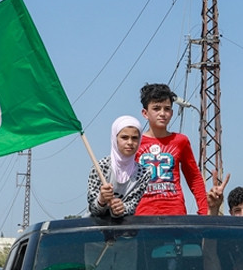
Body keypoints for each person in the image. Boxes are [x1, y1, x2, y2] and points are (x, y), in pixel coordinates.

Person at [134, 83, 209, 215]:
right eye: (156, 108)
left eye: (167, 109)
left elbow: (194, 178)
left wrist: (204, 211)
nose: (162, 113)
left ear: (172, 113)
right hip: (142, 215)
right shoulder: (134, 142)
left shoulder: (180, 141)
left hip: (175, 213)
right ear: (145, 113)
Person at [88, 115, 152, 219]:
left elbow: (133, 205)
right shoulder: (100, 167)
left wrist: (121, 209)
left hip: (126, 226)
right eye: (124, 137)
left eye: (134, 138)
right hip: (96, 226)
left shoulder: (143, 173)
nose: (130, 142)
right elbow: (93, 208)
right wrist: (101, 200)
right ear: (115, 138)